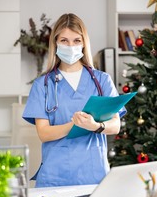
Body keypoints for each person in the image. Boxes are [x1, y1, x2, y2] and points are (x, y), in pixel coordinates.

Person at [22, 13, 126, 187]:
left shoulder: (102, 81)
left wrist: (95, 126)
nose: (71, 46)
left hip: (94, 175)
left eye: (76, 40)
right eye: (64, 40)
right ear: (55, 43)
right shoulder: (43, 84)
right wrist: (74, 126)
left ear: (84, 43)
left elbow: (115, 125)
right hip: (55, 176)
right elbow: (43, 133)